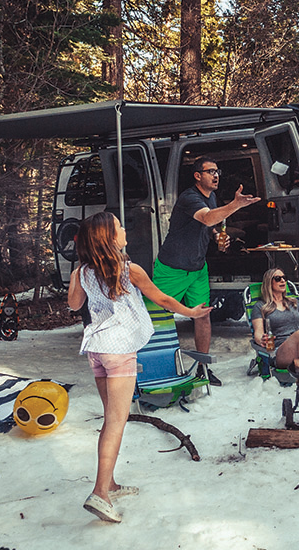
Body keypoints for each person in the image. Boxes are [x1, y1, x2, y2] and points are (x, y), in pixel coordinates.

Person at [68, 211, 211, 523]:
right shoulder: (129, 270)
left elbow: (74, 305)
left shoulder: (82, 272)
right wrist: (192, 312)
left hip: (96, 349)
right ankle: (100, 494)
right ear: (109, 237)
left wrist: (78, 276)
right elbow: (162, 298)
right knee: (116, 423)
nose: (124, 228)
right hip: (119, 350)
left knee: (110, 420)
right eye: (119, 226)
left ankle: (110, 483)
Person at [152, 155, 260, 386]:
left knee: (203, 315)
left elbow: (211, 226)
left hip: (198, 268)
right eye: (210, 171)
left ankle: (202, 368)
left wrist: (219, 238)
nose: (216, 175)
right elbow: (207, 218)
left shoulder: (211, 197)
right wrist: (235, 205)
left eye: (217, 171)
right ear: (197, 176)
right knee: (156, 317)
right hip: (172, 268)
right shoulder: (189, 197)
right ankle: (151, 368)